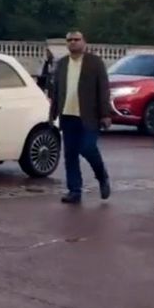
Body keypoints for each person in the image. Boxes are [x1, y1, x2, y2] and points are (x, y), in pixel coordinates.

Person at [50, 31, 112, 203]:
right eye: (69, 40)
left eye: (76, 39)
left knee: (88, 148)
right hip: (67, 115)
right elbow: (56, 90)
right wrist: (53, 113)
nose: (73, 42)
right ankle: (74, 190)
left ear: (84, 42)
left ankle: (102, 176)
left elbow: (103, 89)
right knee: (70, 155)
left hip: (89, 116)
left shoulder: (94, 62)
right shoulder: (62, 63)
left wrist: (105, 114)